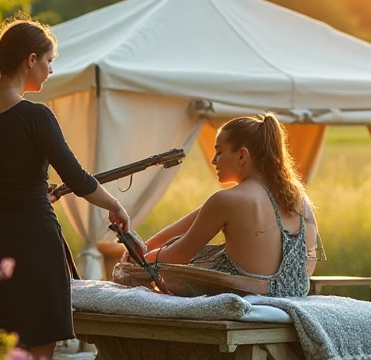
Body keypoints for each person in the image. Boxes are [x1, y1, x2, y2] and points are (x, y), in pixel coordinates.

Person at [0, 17, 131, 360]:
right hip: (32, 245)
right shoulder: (35, 117)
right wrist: (115, 204)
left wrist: (6, 198)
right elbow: (76, 178)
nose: (50, 70)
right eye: (49, 61)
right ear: (31, 59)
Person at [125, 114, 322, 297]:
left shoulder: (228, 200)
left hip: (249, 294)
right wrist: (145, 247)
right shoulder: (298, 199)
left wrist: (139, 263)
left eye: (219, 152)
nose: (213, 160)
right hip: (295, 294)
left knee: (144, 278)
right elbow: (309, 258)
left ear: (242, 156)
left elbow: (180, 253)